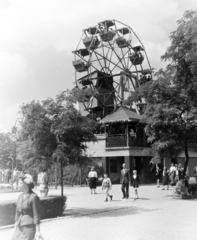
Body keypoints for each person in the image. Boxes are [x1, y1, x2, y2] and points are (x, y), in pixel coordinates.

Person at [12, 174, 43, 240]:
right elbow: (17, 211)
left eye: (20, 183)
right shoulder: (20, 196)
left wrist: (38, 231)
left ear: (26, 184)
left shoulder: (33, 197)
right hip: (20, 226)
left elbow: (36, 215)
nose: (19, 185)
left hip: (29, 227)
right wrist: (16, 223)